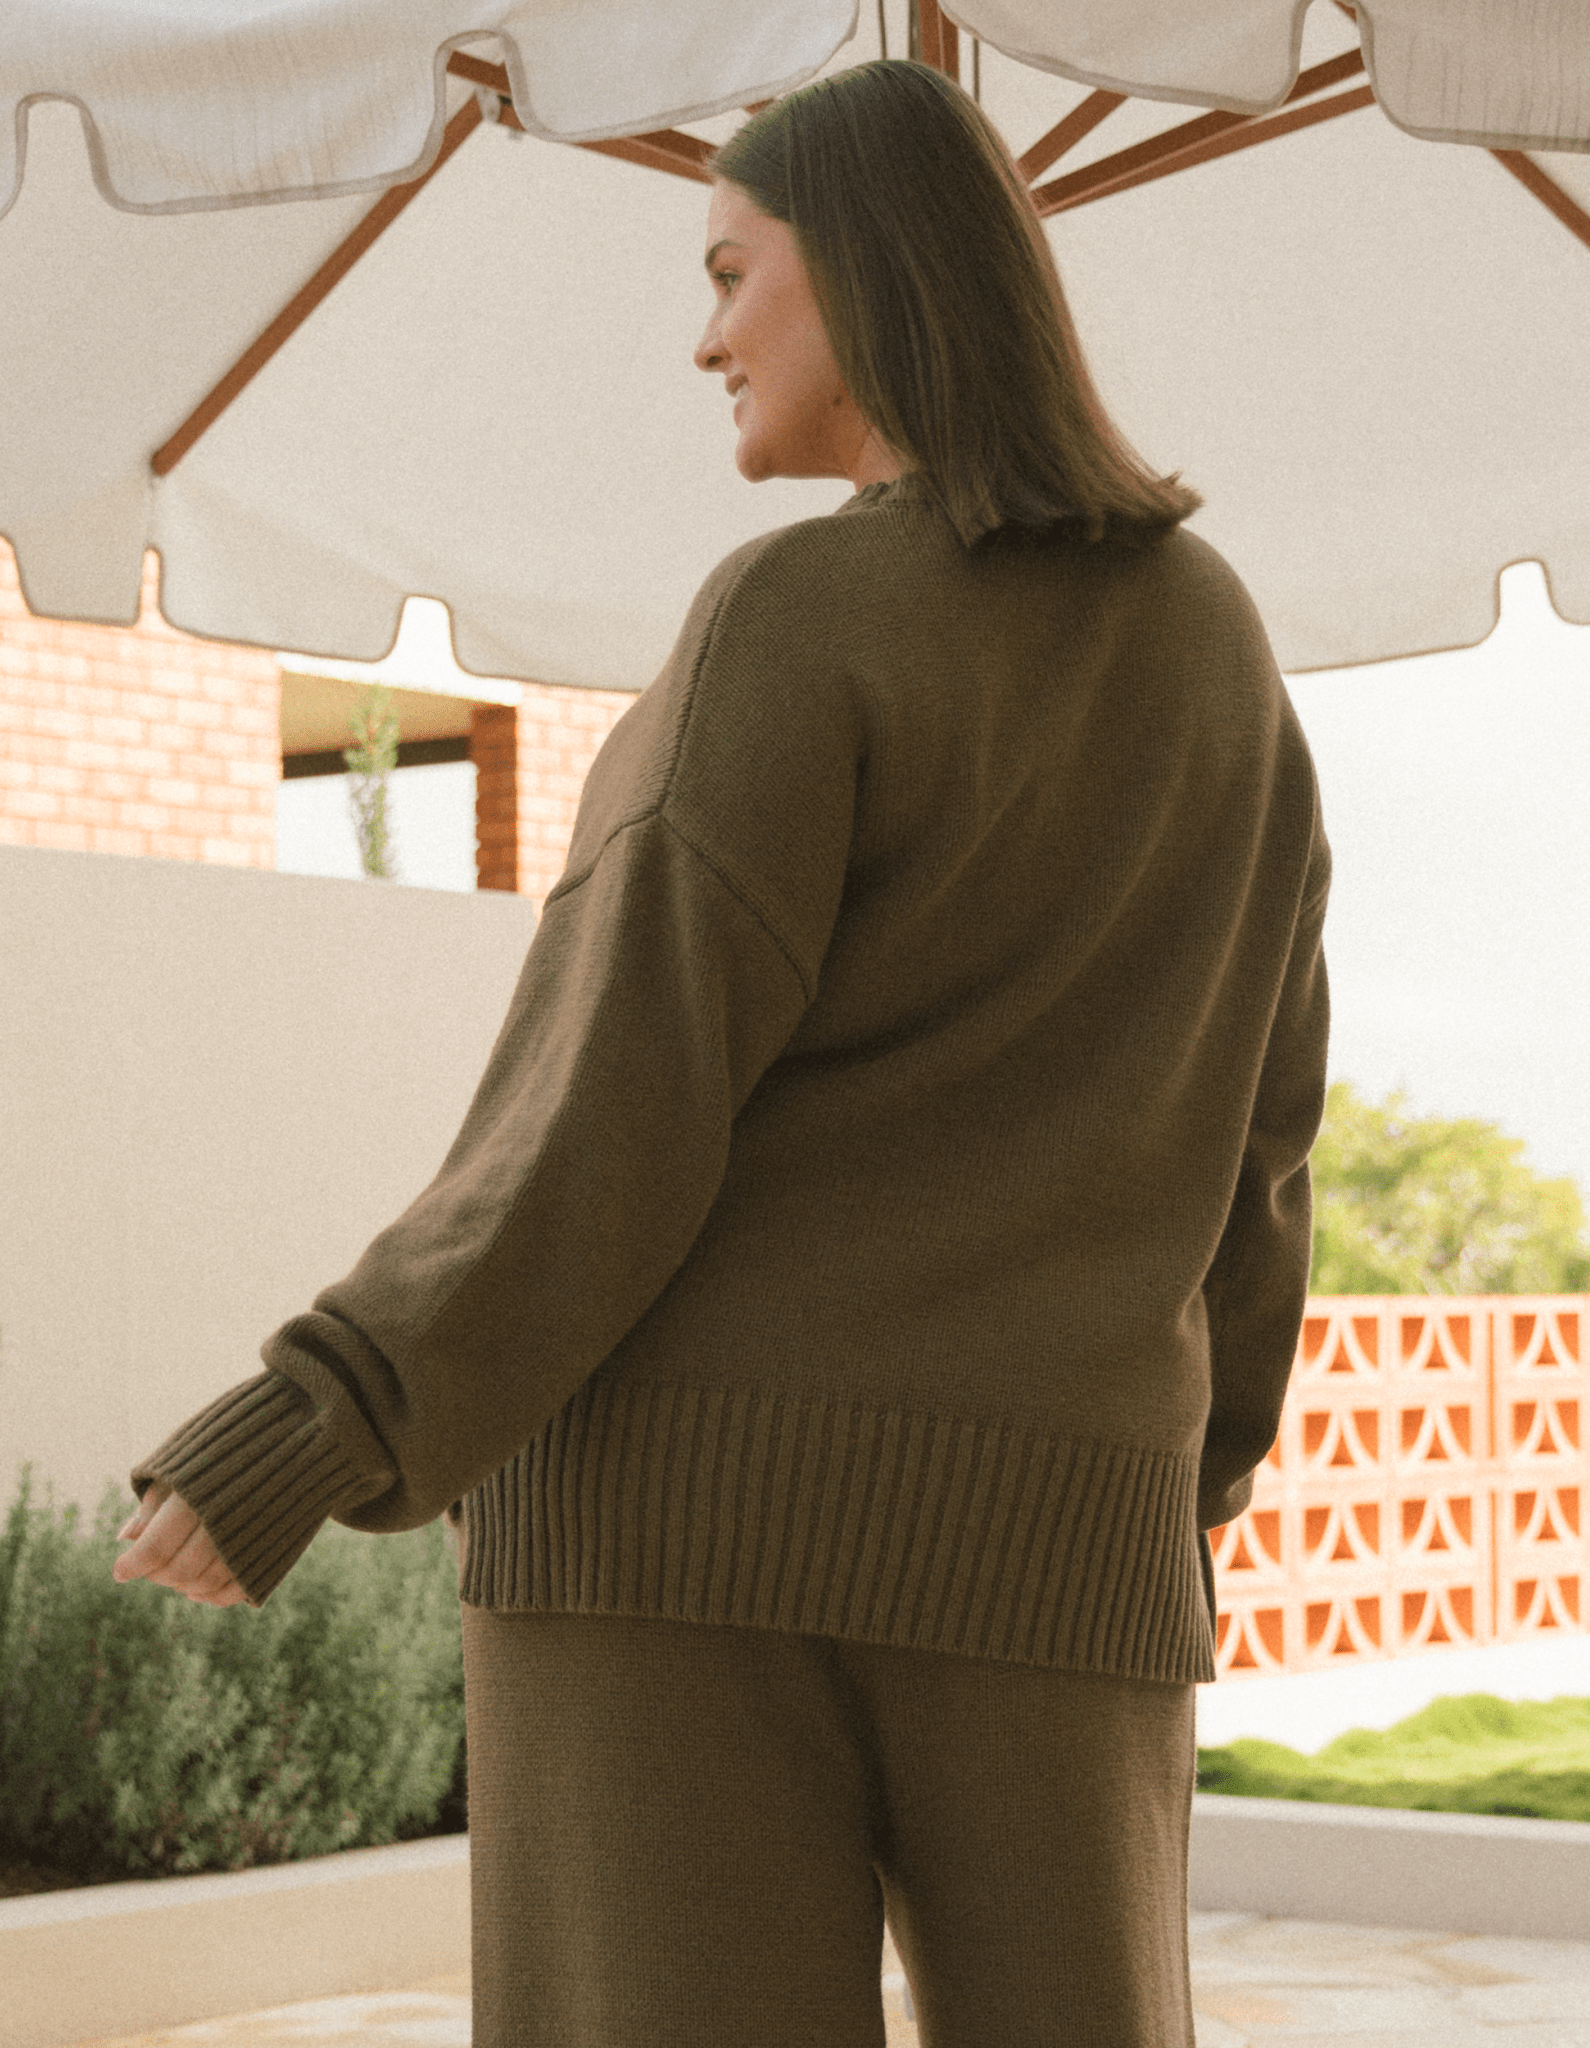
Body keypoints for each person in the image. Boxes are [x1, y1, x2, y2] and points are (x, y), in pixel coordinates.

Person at [114, 58, 1330, 2048]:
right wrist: (1175, 1484)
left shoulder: (797, 610)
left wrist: (323, 1415)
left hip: (673, 1532)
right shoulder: (1215, 640)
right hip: (1067, 1538)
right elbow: (1263, 1141)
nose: (705, 340)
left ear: (861, 270)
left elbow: (612, 1095)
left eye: (728, 272)